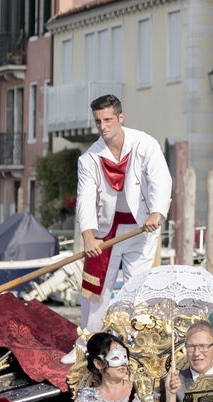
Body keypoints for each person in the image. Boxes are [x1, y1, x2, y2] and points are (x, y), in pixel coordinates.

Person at [63, 94, 171, 362]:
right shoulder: (89, 158)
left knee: (137, 286)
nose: (103, 126)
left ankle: (134, 345)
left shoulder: (145, 144)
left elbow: (160, 179)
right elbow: (85, 198)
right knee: (96, 288)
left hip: (141, 226)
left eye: (108, 119)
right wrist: (88, 235)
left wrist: (157, 212)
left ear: (120, 118)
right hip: (106, 230)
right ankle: (85, 342)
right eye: (98, 121)